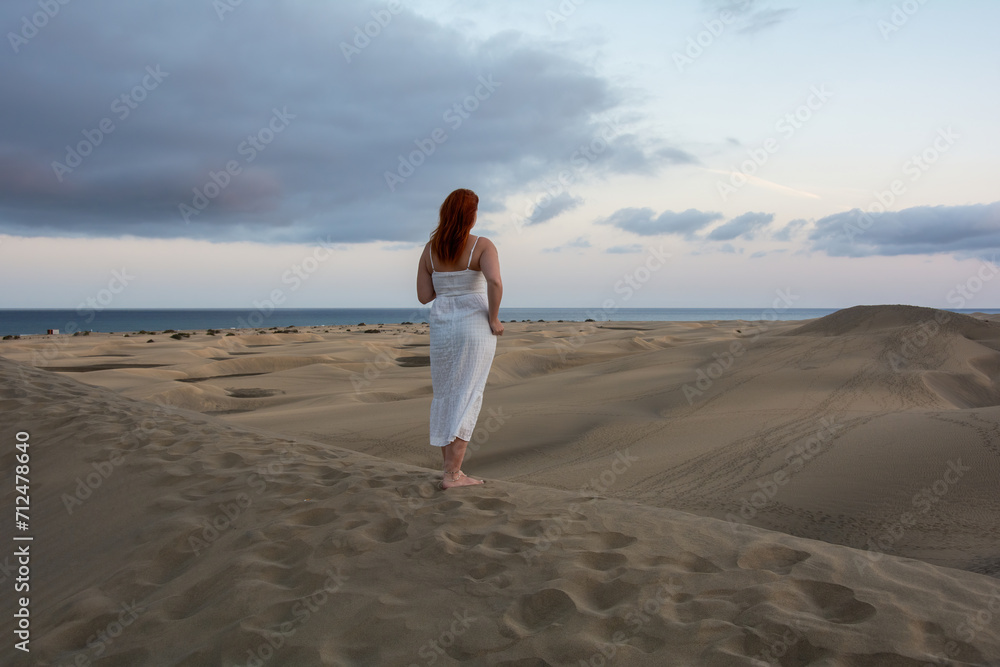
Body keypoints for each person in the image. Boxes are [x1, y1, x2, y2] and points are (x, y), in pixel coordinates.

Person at [416, 188, 504, 489]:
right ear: (471, 216)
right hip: (474, 326)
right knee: (468, 393)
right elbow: (494, 281)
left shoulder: (430, 250)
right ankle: (453, 475)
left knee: (446, 394)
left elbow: (424, 296)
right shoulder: (482, 245)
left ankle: (449, 471)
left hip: (442, 328)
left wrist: (449, 286)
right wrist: (493, 318)